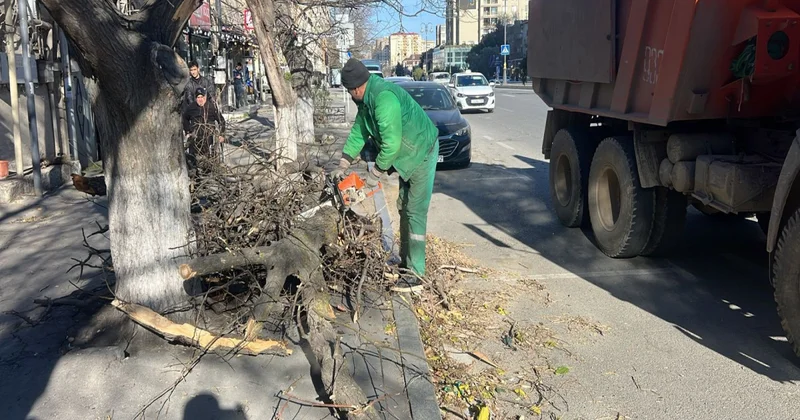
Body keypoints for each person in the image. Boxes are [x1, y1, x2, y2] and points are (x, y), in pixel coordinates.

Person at [331, 58, 439, 293]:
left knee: (415, 210)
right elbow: (358, 133)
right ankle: (406, 264)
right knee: (403, 207)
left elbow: (391, 145)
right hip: (406, 156)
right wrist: (343, 163)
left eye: (350, 91)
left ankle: (417, 275)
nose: (349, 95)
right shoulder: (366, 102)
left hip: (421, 151)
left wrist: (375, 175)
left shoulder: (383, 99)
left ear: (357, 87)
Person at [182, 87, 226, 167]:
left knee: (209, 159)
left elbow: (222, 121)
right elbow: (184, 118)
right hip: (195, 137)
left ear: (205, 97)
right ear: (195, 98)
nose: (200, 99)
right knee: (193, 159)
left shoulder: (211, 107)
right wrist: (188, 131)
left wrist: (222, 134)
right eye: (198, 97)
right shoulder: (191, 107)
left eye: (202, 97)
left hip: (208, 137)